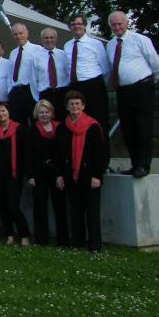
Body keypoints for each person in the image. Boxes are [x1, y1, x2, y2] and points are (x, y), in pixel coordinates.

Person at [106, 11, 159, 177]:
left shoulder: (140, 40)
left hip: (142, 87)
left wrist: (155, 78)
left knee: (142, 127)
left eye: (119, 24)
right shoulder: (110, 45)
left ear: (126, 23)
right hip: (123, 90)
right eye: (114, 25)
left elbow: (154, 61)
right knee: (128, 128)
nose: (117, 27)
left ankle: (144, 165)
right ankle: (135, 163)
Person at [60, 89, 108, 252]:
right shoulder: (63, 127)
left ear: (83, 106)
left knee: (92, 212)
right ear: (67, 107)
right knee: (75, 211)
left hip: (89, 175)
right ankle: (78, 242)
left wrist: (97, 175)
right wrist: (61, 173)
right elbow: (60, 152)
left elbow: (99, 154)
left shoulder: (93, 126)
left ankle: (95, 245)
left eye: (78, 103)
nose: (75, 106)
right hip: (72, 175)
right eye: (71, 104)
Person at [0, 103, 30, 246]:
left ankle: (24, 235)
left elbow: (25, 154)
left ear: (8, 112)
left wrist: (29, 174)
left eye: (3, 111)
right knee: (2, 206)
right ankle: (9, 235)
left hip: (13, 174)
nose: (1, 114)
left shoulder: (19, 129)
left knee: (12, 206)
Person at [28, 99, 69, 246]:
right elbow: (29, 155)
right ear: (36, 114)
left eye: (47, 112)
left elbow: (63, 152)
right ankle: (41, 240)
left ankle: (63, 240)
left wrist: (61, 173)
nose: (44, 115)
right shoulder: (32, 131)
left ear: (52, 113)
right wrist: (31, 176)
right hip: (39, 174)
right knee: (40, 208)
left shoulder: (60, 128)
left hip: (57, 174)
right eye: (41, 112)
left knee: (60, 207)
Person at [63, 14, 112, 131]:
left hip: (93, 85)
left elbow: (105, 68)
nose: (76, 26)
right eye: (73, 24)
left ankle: (101, 147)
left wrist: (99, 84)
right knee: (78, 120)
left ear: (84, 25)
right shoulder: (67, 45)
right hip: (75, 86)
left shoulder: (95, 44)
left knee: (98, 120)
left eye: (79, 24)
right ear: (69, 27)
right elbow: (67, 67)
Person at [33, 27, 70, 121]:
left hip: (63, 93)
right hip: (46, 95)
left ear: (56, 39)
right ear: (41, 40)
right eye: (46, 38)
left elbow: (70, 74)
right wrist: (38, 100)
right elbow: (34, 80)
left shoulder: (64, 55)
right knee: (48, 124)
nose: (49, 40)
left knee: (64, 123)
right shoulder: (36, 57)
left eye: (51, 37)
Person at [8, 23, 37, 127]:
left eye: (21, 33)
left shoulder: (37, 50)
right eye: (15, 34)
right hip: (16, 92)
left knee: (35, 122)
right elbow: (10, 74)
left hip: (30, 91)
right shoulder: (12, 53)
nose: (18, 36)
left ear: (27, 33)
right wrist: (9, 90)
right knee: (18, 124)